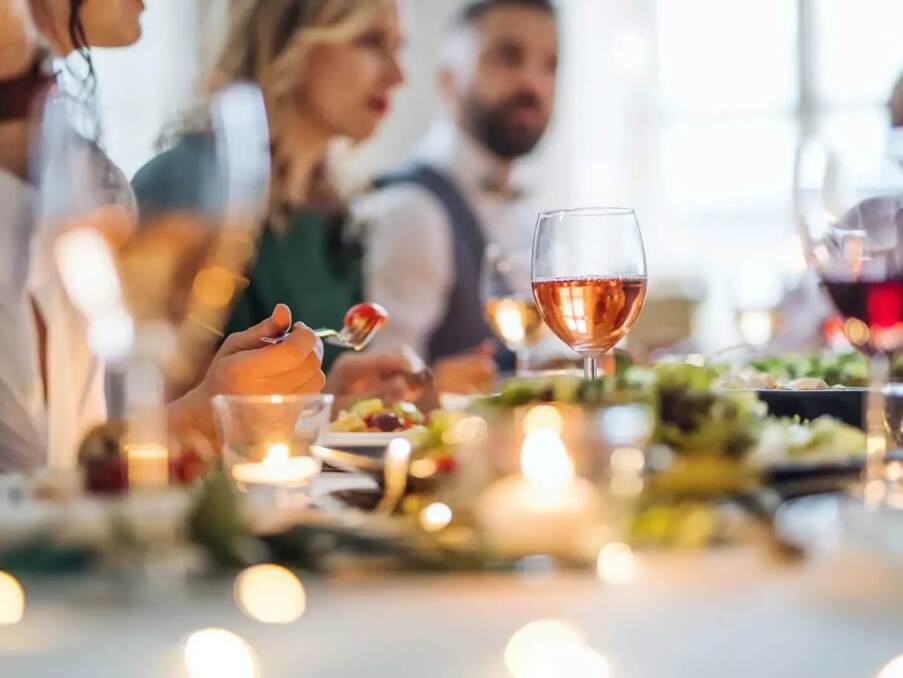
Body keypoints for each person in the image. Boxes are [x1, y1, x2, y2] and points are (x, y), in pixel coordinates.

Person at [0, 0, 324, 472]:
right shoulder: (123, 191)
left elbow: (72, 465)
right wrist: (201, 417)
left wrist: (207, 409)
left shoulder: (88, 179)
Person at [359, 0, 558, 369]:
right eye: (508, 57)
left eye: (550, 65)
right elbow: (385, 388)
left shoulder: (526, 212)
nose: (533, 83)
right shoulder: (413, 209)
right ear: (448, 78)